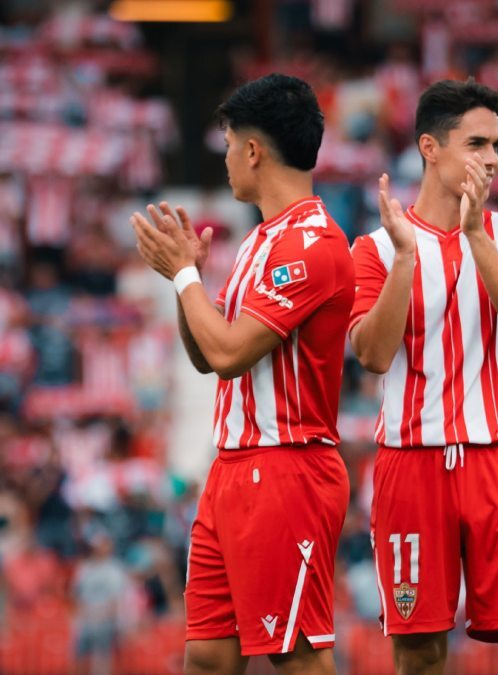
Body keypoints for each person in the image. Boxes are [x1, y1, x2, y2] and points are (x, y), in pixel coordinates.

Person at [130, 73, 354, 674]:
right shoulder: (260, 243)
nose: (226, 160)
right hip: (232, 468)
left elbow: (229, 353)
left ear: (252, 150)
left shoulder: (313, 245)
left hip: (287, 467)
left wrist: (184, 276)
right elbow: (208, 356)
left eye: (228, 144)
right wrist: (187, 287)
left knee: (296, 656)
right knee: (206, 656)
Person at [349, 79, 498, 674]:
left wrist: (472, 235)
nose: (492, 159)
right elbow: (370, 354)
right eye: (476, 143)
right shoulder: (374, 248)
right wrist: (405, 261)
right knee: (419, 655)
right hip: (412, 464)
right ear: (430, 147)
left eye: (496, 145)